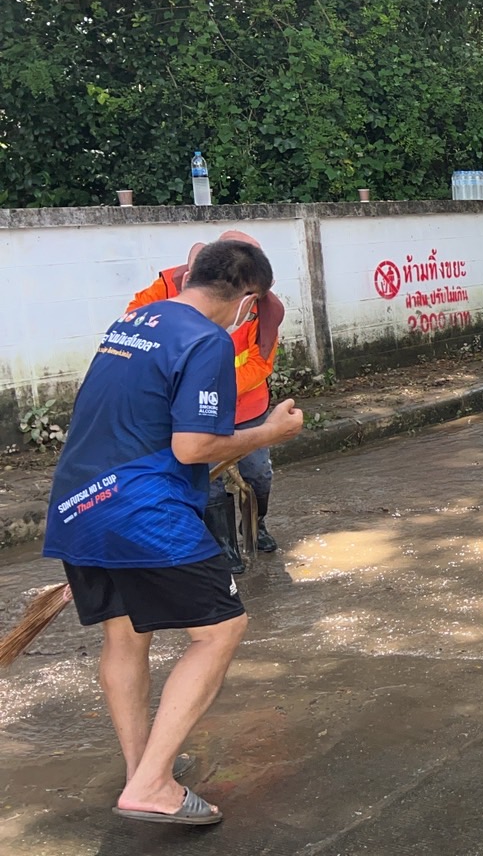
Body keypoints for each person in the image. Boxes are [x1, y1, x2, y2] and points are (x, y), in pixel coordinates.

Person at [43, 238, 304, 825]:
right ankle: (153, 785)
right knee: (220, 629)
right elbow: (193, 445)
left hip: (79, 500)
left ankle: (142, 767)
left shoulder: (133, 322)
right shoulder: (207, 339)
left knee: (124, 635)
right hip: (141, 511)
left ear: (189, 275)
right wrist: (268, 433)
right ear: (248, 300)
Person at [128, 231, 286, 572]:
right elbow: (136, 327)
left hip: (245, 407)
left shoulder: (264, 307)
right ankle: (223, 544)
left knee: (258, 474)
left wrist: (215, 388)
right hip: (192, 410)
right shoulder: (165, 290)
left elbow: (261, 363)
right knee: (207, 479)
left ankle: (256, 525)